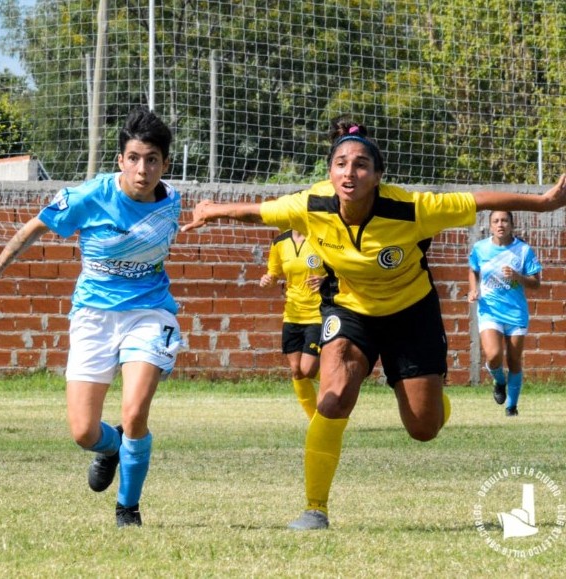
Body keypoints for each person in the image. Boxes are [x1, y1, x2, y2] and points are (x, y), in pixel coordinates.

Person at [181, 117, 566, 531]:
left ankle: (433, 398)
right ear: (330, 172)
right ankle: (315, 509)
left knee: (423, 427)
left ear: (378, 176)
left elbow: (478, 200)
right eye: (341, 163)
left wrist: (545, 202)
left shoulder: (411, 209)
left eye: (361, 164)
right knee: (332, 397)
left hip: (410, 313)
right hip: (350, 312)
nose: (350, 172)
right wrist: (213, 210)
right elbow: (258, 212)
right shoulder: (312, 204)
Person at [0, 107, 182, 528]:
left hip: (150, 314)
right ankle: (111, 447)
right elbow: (33, 229)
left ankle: (127, 509)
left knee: (135, 413)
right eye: (133, 158)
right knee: (83, 432)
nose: (142, 169)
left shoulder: (171, 202)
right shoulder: (88, 196)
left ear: (165, 164)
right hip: (94, 317)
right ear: (120, 160)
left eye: (152, 159)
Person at [467, 211, 541, 417]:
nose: (500, 225)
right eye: (496, 221)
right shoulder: (480, 248)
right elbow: (473, 269)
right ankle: (499, 380)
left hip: (516, 312)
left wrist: (518, 276)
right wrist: (473, 289)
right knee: (493, 355)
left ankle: (511, 407)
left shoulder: (523, 250)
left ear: (512, 224)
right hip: (490, 310)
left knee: (515, 360)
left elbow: (536, 283)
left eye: (504, 220)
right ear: (490, 226)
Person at [260, 230, 326, 420]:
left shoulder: (321, 236)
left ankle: (340, 382)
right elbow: (273, 274)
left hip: (317, 314)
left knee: (308, 369)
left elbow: (340, 269)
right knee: (297, 371)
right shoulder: (280, 242)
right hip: (292, 314)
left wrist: (325, 280)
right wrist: (268, 280)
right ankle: (315, 420)